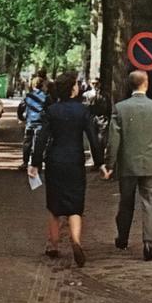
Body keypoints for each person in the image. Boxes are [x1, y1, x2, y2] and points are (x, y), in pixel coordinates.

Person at [28, 71, 98, 267]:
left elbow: (41, 138)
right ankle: (76, 241)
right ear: (73, 88)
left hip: (55, 160)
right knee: (75, 204)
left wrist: (34, 163)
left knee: (54, 204)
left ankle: (53, 244)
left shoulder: (52, 111)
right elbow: (93, 138)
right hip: (75, 160)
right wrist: (100, 163)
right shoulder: (83, 111)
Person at [102, 70, 152, 261]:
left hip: (128, 164)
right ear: (146, 83)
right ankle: (149, 243)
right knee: (150, 203)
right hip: (151, 162)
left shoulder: (120, 108)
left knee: (126, 202)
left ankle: (122, 238)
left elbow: (113, 140)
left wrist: (110, 163)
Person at [19, 77, 49, 170]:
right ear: (42, 85)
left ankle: (25, 162)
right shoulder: (46, 97)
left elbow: (21, 107)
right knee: (38, 144)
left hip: (30, 122)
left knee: (27, 143)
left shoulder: (28, 96)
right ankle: (37, 164)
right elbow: (49, 110)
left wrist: (21, 117)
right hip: (40, 123)